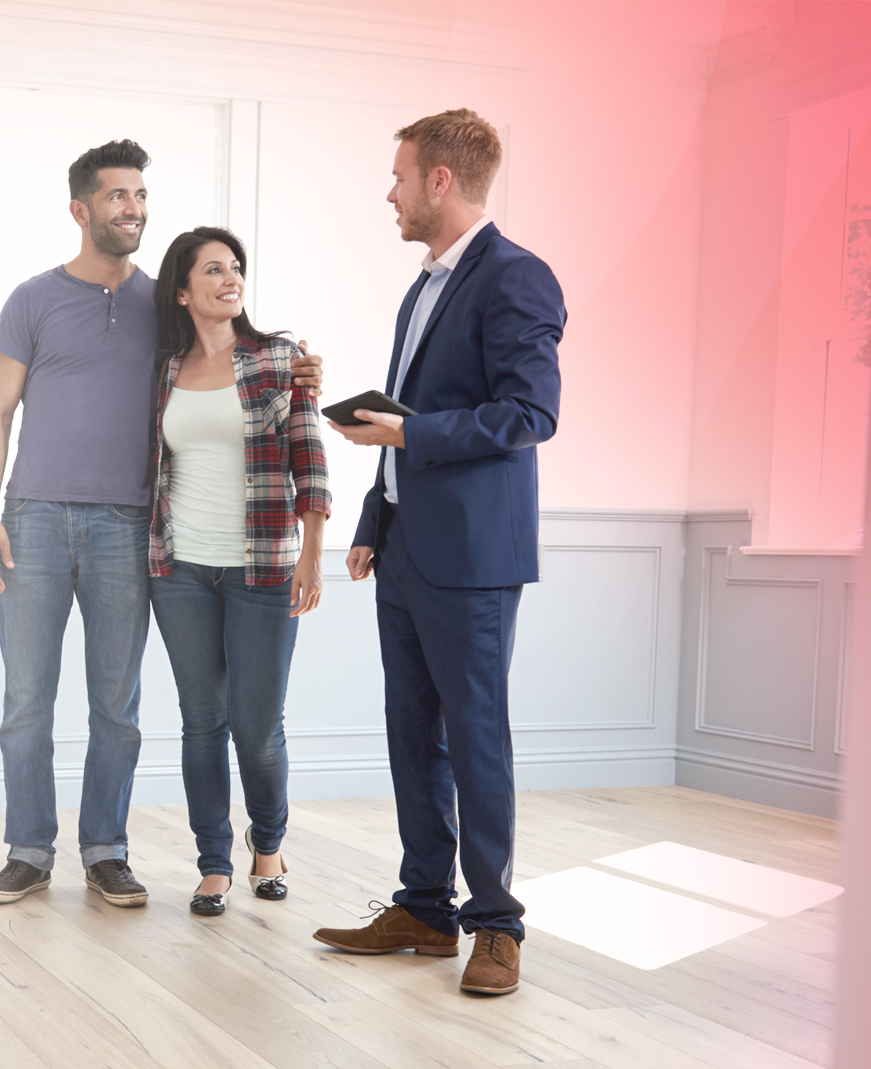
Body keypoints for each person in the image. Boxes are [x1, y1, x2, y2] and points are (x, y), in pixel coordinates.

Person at [0, 141, 324, 908]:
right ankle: (28, 849)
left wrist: (300, 369)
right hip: (32, 518)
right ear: (80, 208)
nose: (132, 207)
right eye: (117, 195)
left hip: (129, 525)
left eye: (140, 194)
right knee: (25, 699)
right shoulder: (31, 299)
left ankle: (107, 850)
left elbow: (229, 360)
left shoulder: (162, 305)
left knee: (116, 704)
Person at [310, 109, 564, 996]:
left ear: (441, 182)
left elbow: (530, 414)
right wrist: (375, 521)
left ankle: (496, 924)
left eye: (401, 176)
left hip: (473, 557)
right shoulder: (422, 285)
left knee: (476, 737)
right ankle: (425, 906)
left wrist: (411, 438)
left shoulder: (517, 278)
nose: (392, 191)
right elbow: (406, 421)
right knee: (412, 735)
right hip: (406, 547)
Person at [145, 227, 328, 917]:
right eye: (214, 269)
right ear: (184, 290)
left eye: (237, 268)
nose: (231, 278)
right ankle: (214, 862)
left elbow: (309, 459)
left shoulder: (279, 359)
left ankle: (270, 844)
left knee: (256, 726)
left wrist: (312, 552)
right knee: (201, 720)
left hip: (264, 567)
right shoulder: (162, 369)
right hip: (179, 568)